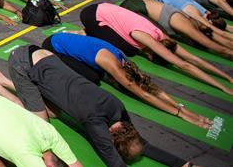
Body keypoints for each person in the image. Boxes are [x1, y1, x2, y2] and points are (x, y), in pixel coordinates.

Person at [0, 47, 217, 167]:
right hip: (23, 62)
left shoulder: (117, 108)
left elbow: (143, 145)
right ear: (111, 140)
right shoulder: (96, 125)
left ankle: (3, 80)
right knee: (41, 123)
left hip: (44, 58)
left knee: (55, 112)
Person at [42, 32, 212, 128]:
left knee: (97, 75)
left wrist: (180, 107)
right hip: (52, 46)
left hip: (69, 42)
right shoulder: (114, 65)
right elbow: (145, 95)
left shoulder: (123, 60)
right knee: (91, 80)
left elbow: (149, 88)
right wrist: (181, 115)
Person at [79, 3, 233, 96]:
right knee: (128, 49)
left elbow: (191, 60)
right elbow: (184, 64)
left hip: (107, 9)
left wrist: (227, 79)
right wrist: (223, 87)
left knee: (130, 46)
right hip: (91, 14)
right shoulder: (142, 37)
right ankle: (85, 31)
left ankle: (89, 31)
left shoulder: (161, 37)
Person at [120, 0, 233, 59]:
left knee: (213, 43)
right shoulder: (188, 17)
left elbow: (220, 47)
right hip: (166, 12)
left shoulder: (185, 20)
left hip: (167, 14)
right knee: (212, 39)